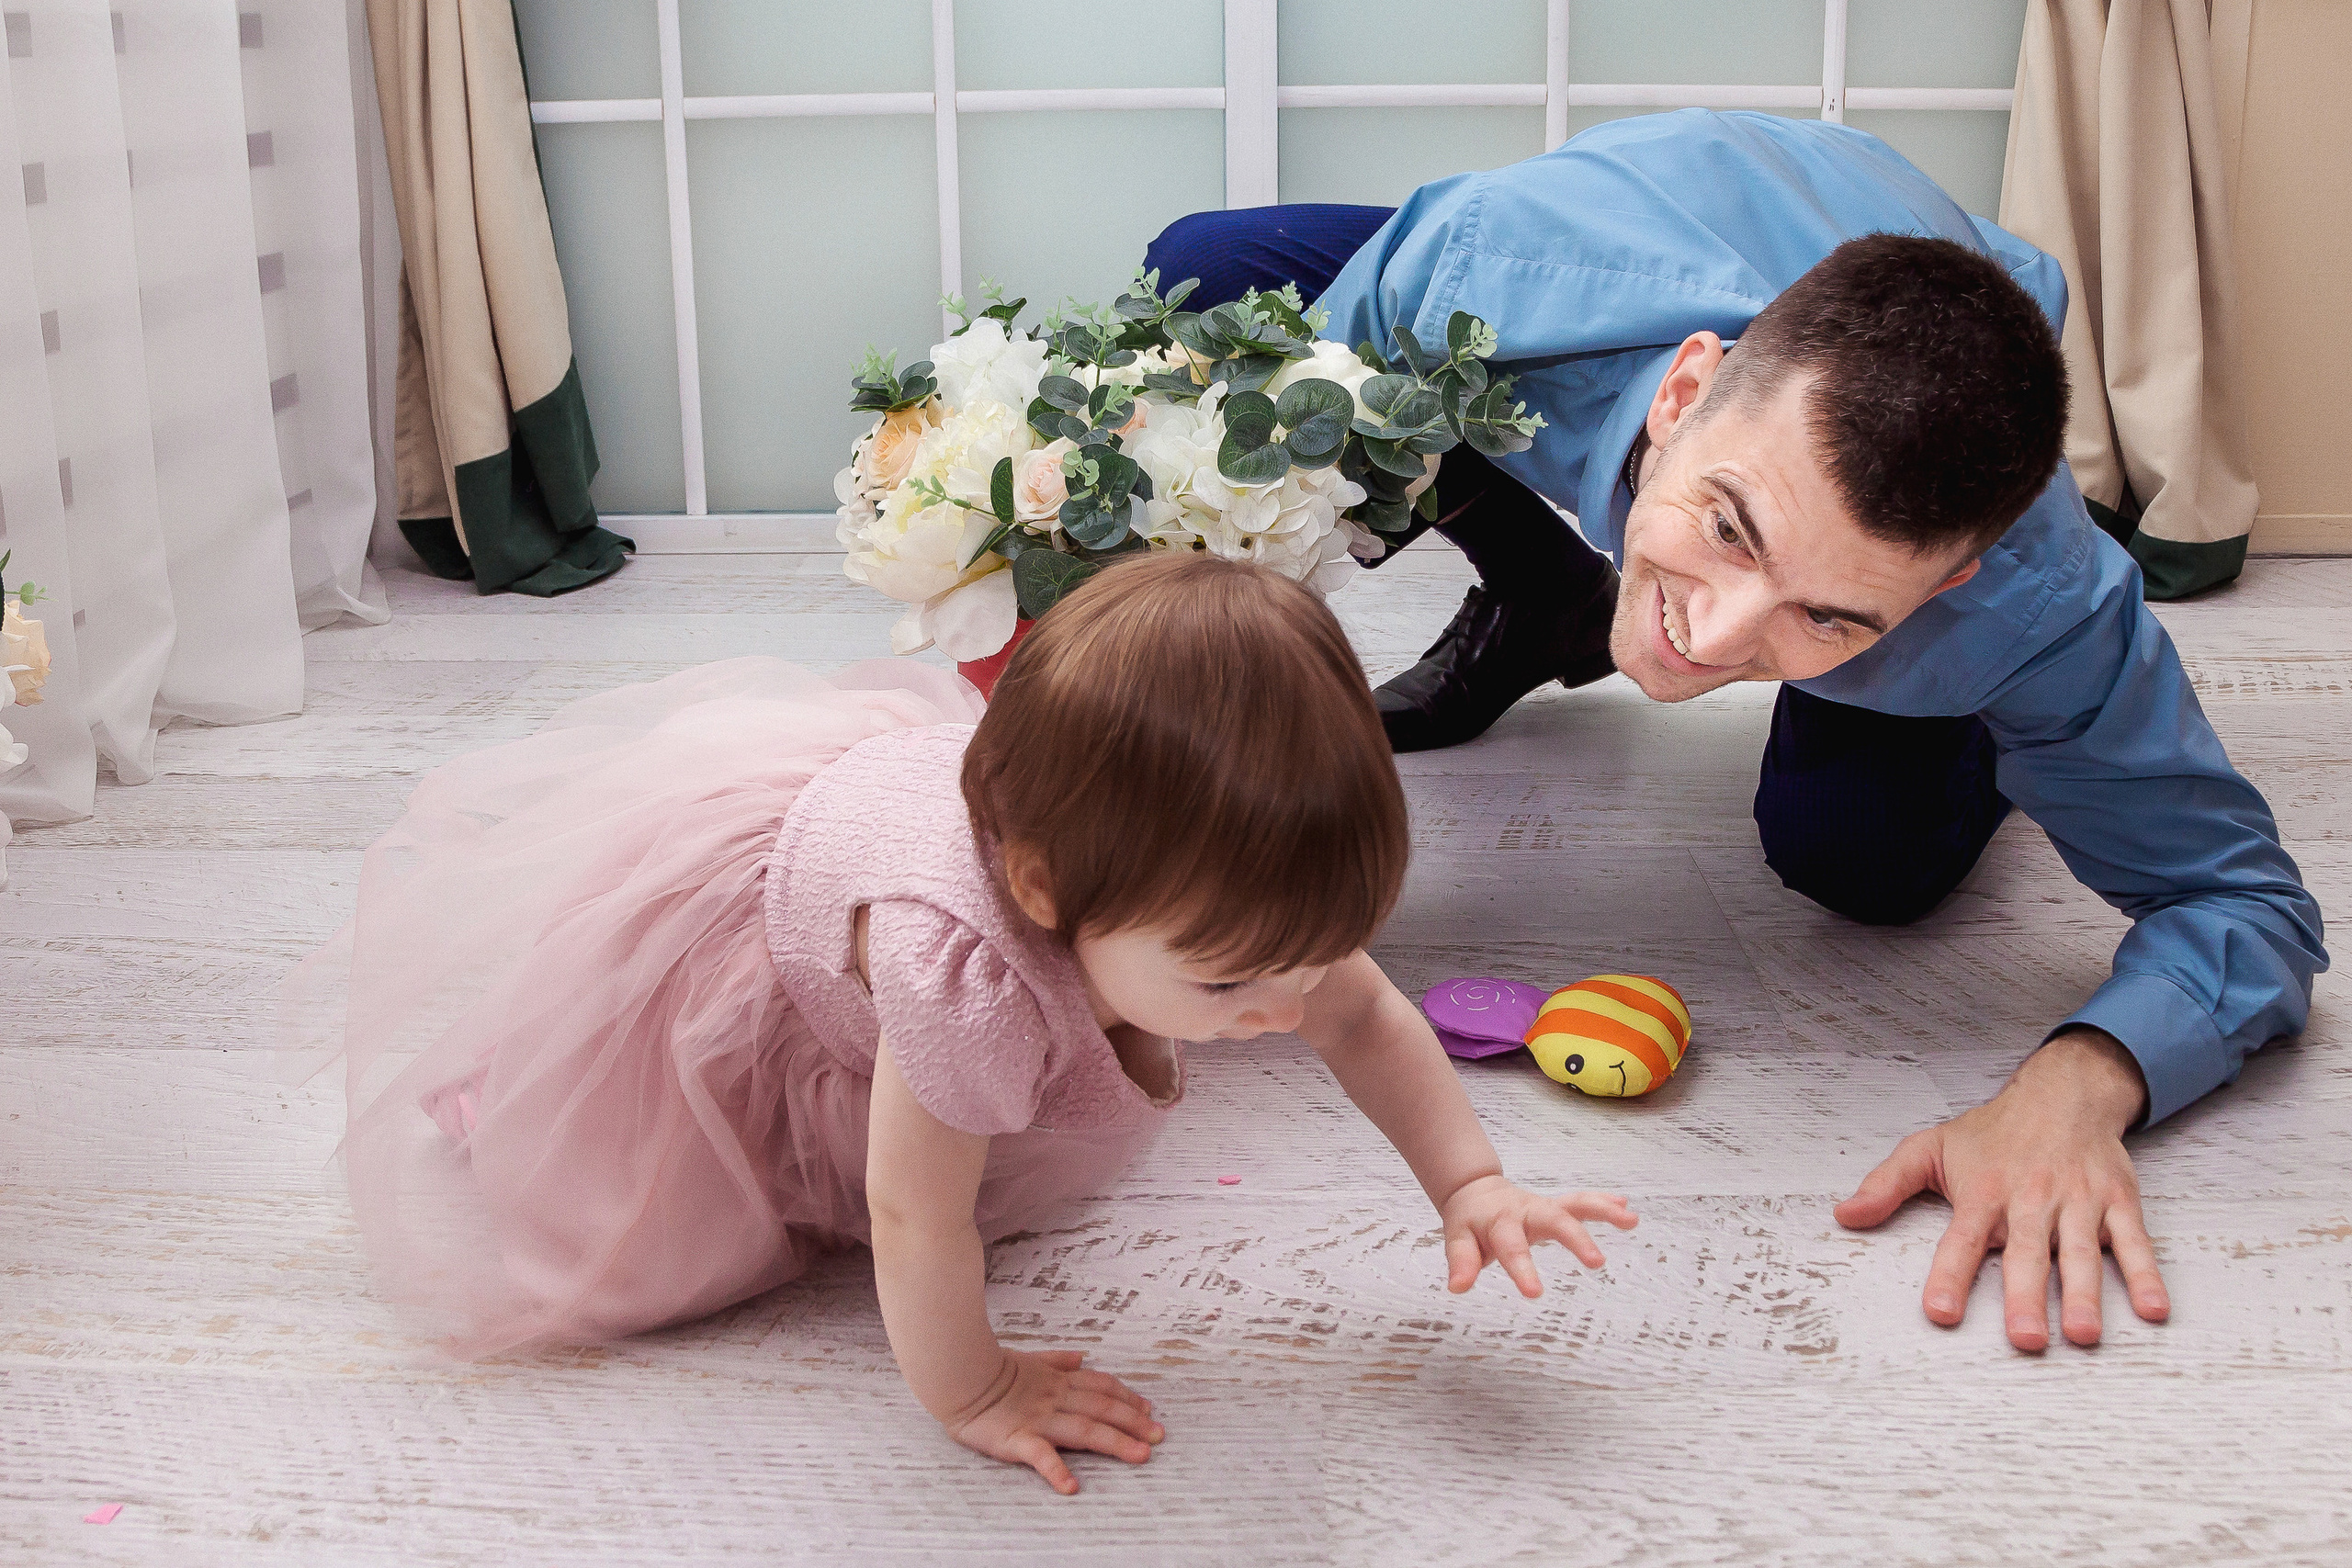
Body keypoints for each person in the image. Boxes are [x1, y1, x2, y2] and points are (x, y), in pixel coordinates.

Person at [1143, 109, 2325, 1354]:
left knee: (1858, 860)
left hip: (1926, 477)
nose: (1705, 645)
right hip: (1618, 272)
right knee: (1212, 275)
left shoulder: (2038, 607)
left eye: (1831, 613)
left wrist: (2083, 1082)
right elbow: (1283, 503)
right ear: (1683, 392)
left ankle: (1880, 649)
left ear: (1950, 584)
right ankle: (1549, 596)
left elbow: (2245, 904)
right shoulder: (1489, 276)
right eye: (1728, 529)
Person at [295, 553, 1636, 1495]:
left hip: (951, 852)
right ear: (1045, 894)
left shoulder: (1232, 912)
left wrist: (1469, 1181)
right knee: (663, 1196)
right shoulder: (962, 981)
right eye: (1231, 984)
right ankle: (511, 1097)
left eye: (1301, 957)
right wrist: (977, 1386)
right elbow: (913, 1215)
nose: (1286, 1008)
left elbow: (1363, 1016)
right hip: (779, 944)